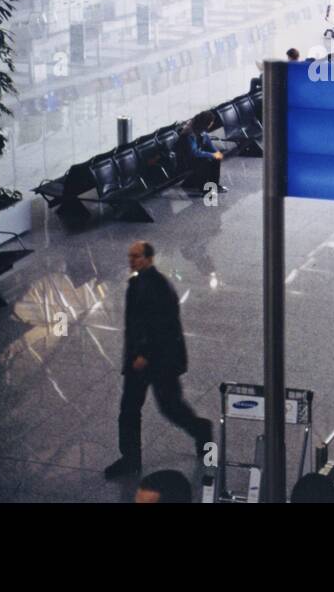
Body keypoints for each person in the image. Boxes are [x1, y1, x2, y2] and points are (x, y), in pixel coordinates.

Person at [106, 241, 214, 479]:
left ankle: (201, 429)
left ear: (150, 259)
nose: (132, 260)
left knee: (170, 407)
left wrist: (144, 353)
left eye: (137, 256)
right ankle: (130, 458)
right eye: (130, 256)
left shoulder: (158, 287)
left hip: (157, 360)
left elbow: (162, 326)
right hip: (140, 360)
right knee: (129, 409)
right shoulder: (137, 283)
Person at [181, 110, 228, 195]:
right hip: (186, 160)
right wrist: (212, 154)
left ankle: (215, 185)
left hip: (196, 157)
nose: (212, 124)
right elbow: (194, 152)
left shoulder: (202, 131)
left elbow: (209, 144)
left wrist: (217, 153)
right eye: (211, 122)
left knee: (215, 159)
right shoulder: (190, 134)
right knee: (205, 161)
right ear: (206, 123)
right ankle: (204, 189)